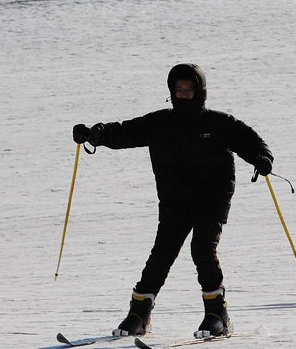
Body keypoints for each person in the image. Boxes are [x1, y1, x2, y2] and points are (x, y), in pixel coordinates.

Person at [72, 63, 273, 338]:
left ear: (199, 92)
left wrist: (262, 159)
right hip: (175, 199)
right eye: (178, 89)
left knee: (202, 249)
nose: (183, 94)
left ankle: (218, 315)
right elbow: (124, 132)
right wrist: (94, 135)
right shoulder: (160, 122)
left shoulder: (218, 123)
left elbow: (249, 140)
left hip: (211, 198)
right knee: (162, 253)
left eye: (189, 90)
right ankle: (139, 314)